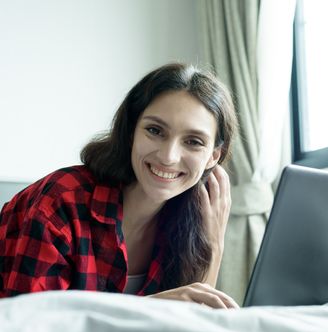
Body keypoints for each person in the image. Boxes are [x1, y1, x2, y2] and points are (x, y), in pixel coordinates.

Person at [0, 62, 239, 309]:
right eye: (155, 130)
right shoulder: (60, 202)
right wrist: (147, 310)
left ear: (213, 156)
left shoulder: (195, 217)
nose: (168, 156)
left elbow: (196, 324)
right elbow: (29, 330)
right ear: (131, 131)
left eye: (193, 141)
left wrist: (214, 247)